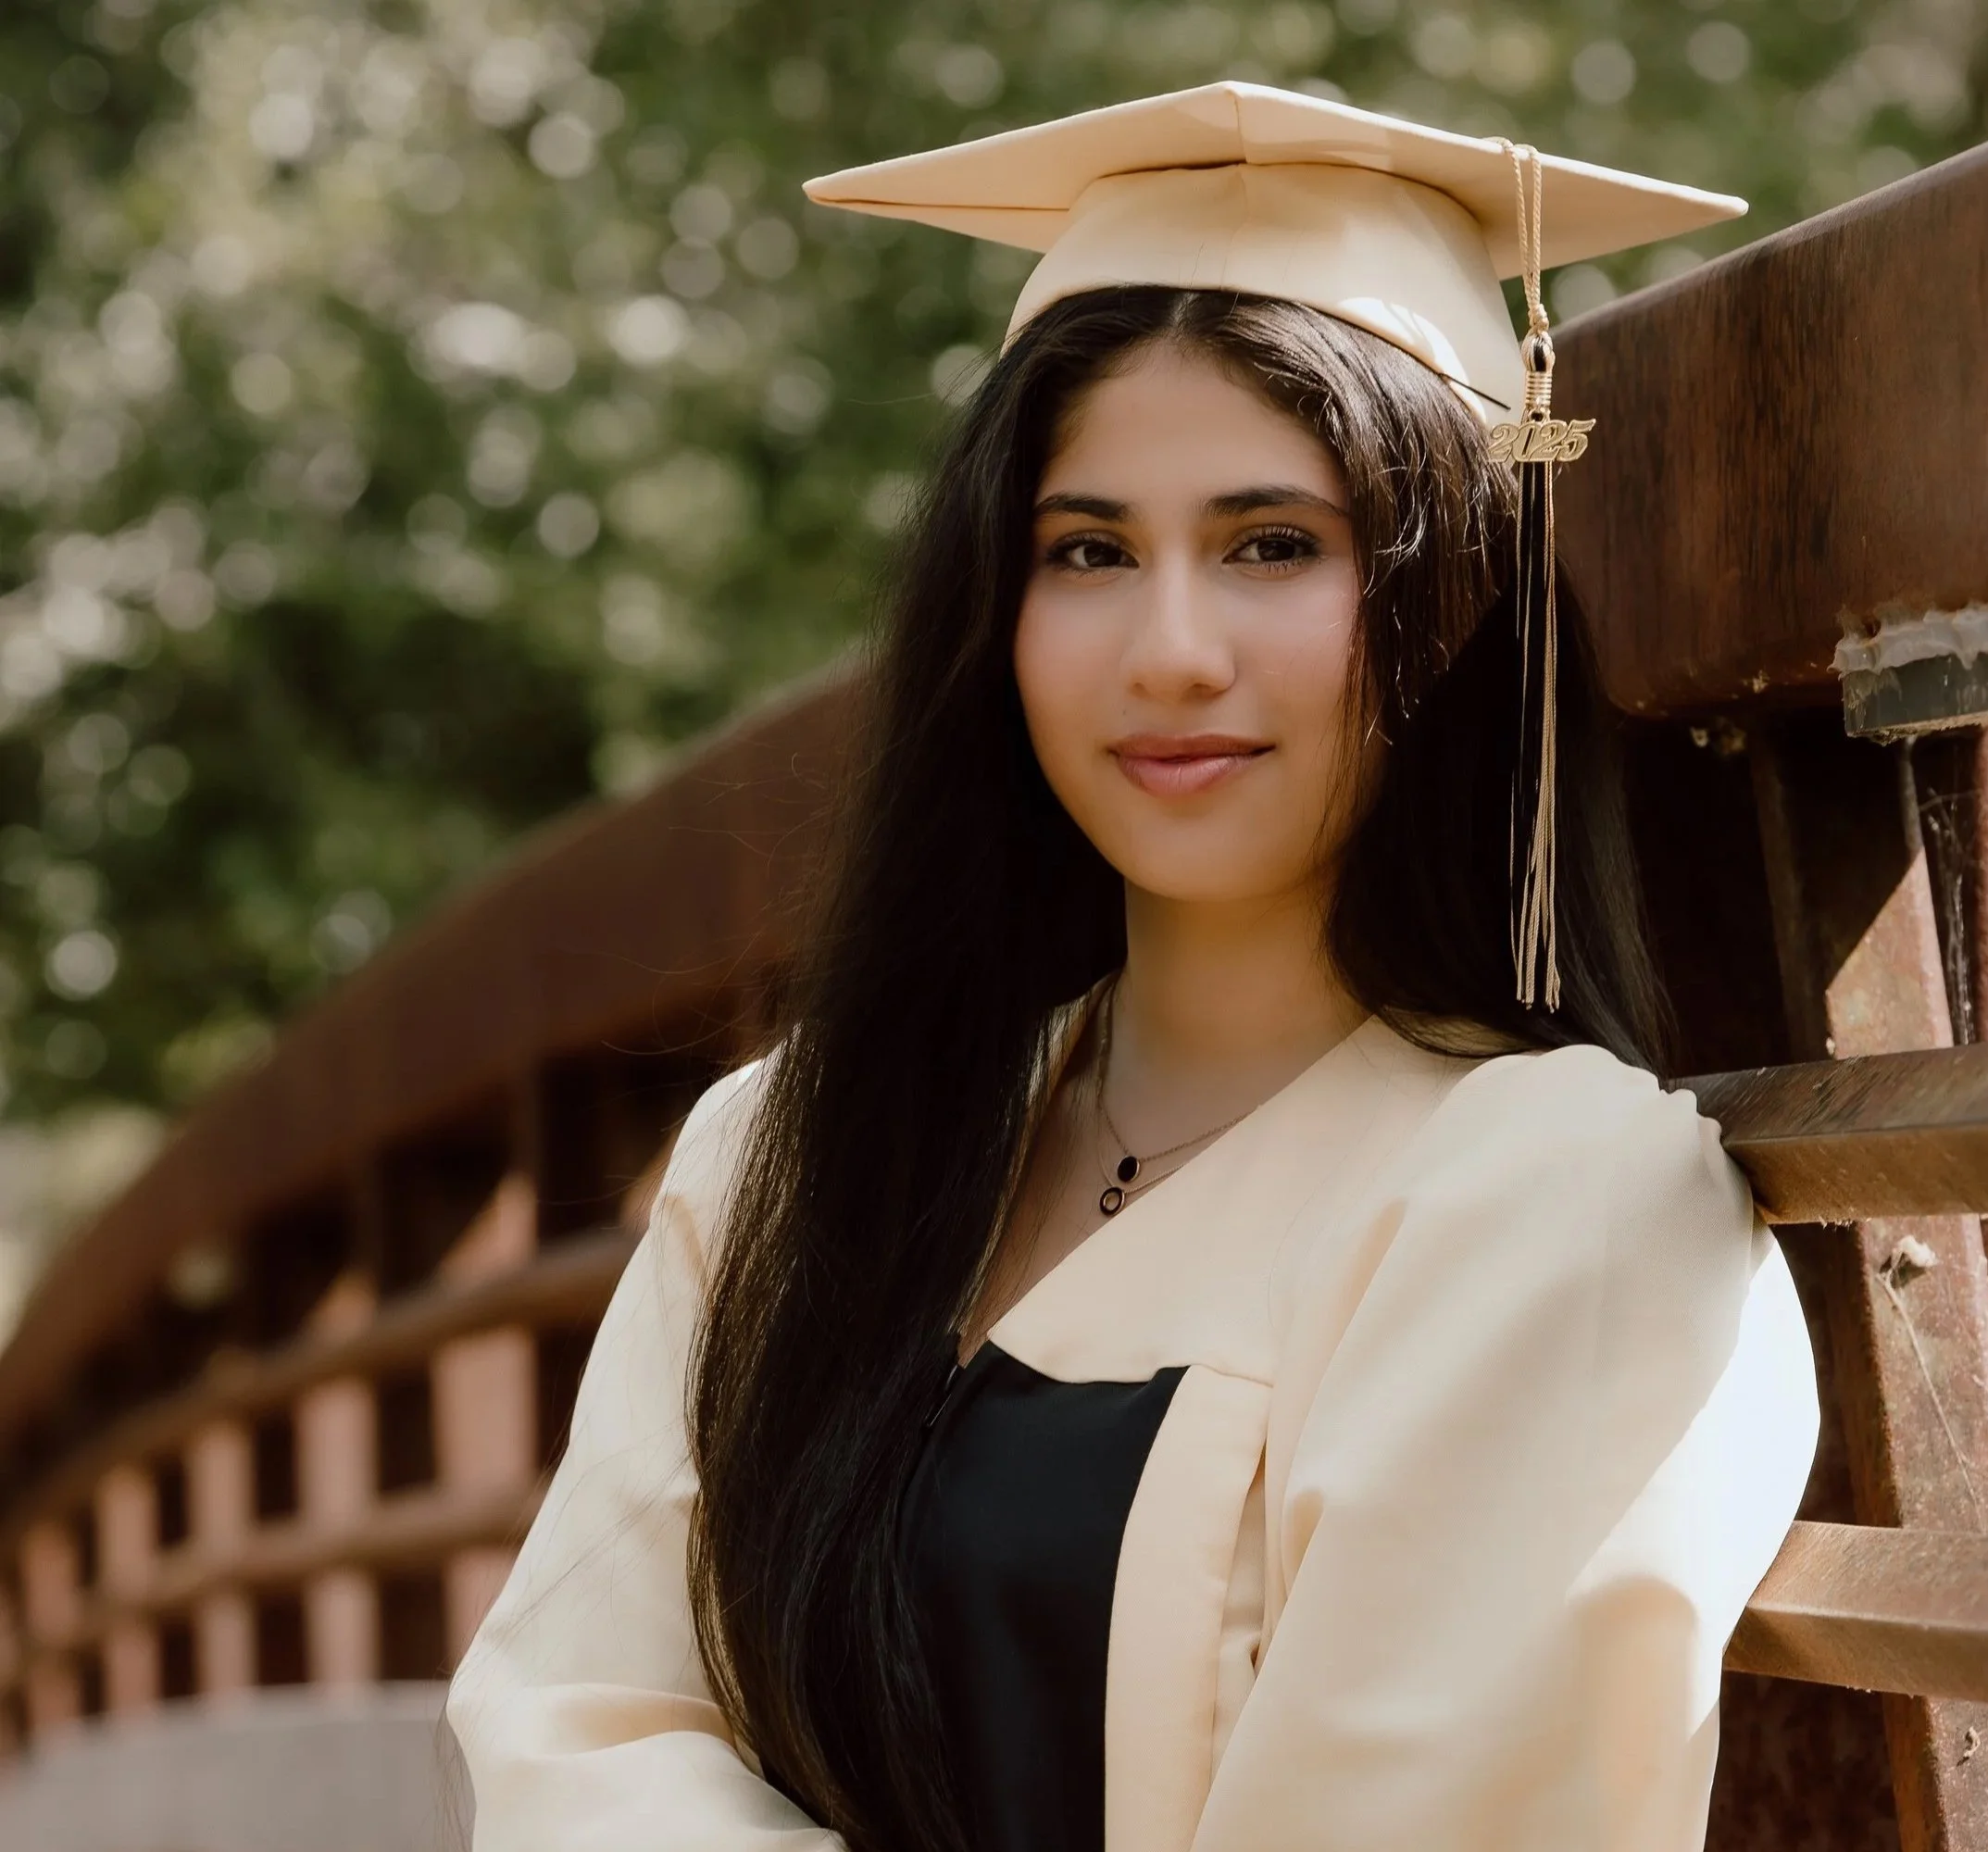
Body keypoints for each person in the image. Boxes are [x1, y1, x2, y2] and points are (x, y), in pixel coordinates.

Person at [447, 81, 1819, 1852]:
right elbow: (579, 1729)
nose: (1170, 652)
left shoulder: (1555, 1206)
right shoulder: (790, 1153)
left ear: (1456, 593)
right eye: (1087, 551)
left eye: (1275, 546)